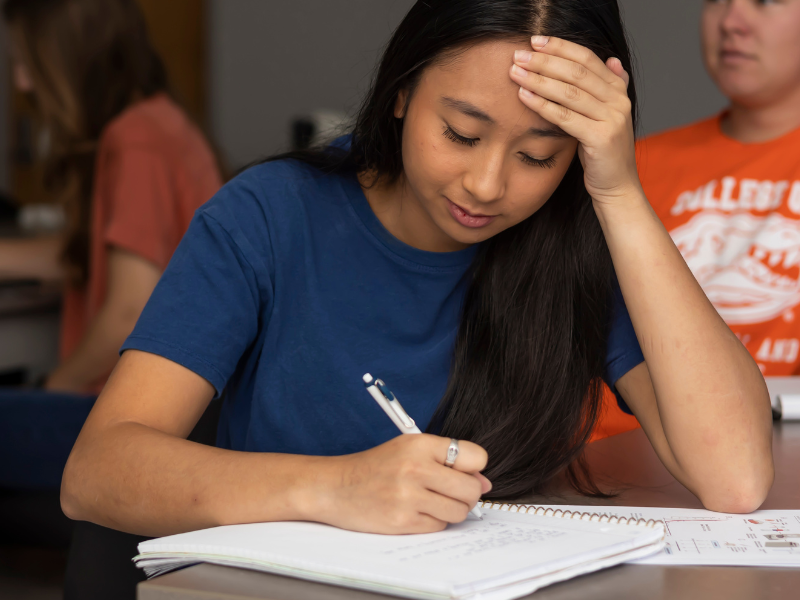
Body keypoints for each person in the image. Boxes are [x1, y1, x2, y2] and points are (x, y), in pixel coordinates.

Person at [64, 0, 773, 540]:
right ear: (401, 94)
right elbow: (96, 473)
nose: (487, 185)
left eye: (538, 156)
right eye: (461, 133)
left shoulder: (574, 245)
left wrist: (618, 192)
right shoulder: (271, 216)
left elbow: (736, 476)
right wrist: (335, 488)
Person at [0, 0, 223, 490]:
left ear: (70, 57)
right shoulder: (159, 123)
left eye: (26, 62)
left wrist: (54, 386)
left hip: (132, 422)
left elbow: (129, 309)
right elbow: (101, 253)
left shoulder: (135, 141)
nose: (21, 82)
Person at [637, 0, 800, 377]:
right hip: (608, 431)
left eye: (765, 2)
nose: (730, 22)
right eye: (715, 1)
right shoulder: (628, 165)